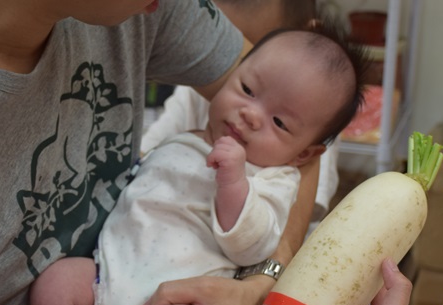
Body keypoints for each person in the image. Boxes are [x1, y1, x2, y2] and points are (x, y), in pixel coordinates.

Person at [0, 1, 412, 305]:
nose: (249, 115)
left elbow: (255, 237)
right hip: (86, 293)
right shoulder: (197, 130)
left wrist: (255, 289)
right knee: (54, 287)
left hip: (170, 303)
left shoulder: (270, 175)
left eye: (279, 123)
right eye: (245, 90)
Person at [141, 0, 339, 236]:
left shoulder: (310, 124)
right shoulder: (193, 93)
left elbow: (287, 227)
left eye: (246, 49)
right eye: (247, 87)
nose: (250, 114)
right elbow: (147, 154)